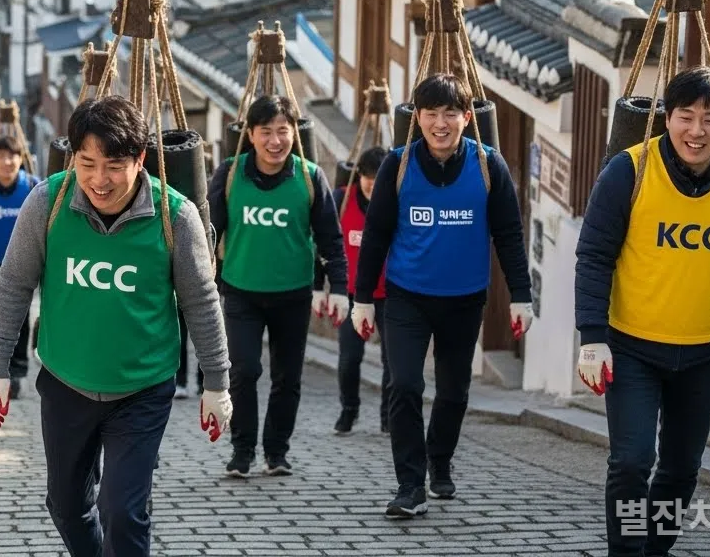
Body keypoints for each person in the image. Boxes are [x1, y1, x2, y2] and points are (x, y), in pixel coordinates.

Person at [0, 95, 231, 557]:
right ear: (73, 157)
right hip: (65, 382)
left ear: (140, 159)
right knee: (67, 505)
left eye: (114, 165)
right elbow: (13, 286)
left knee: (123, 508)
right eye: (87, 163)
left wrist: (217, 383)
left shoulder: (176, 216)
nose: (99, 179)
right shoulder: (47, 202)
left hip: (142, 390)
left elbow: (201, 300)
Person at [574, 67, 710, 557]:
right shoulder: (628, 170)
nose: (696, 130)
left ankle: (655, 550)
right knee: (631, 461)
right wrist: (592, 336)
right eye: (685, 116)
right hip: (631, 348)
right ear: (666, 118)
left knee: (681, 469)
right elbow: (595, 255)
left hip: (705, 351)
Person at [351, 73, 532, 518]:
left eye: (450, 113)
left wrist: (521, 295)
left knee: (453, 392)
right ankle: (409, 485)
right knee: (405, 385)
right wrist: (361, 299)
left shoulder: (490, 166)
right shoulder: (399, 165)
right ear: (417, 118)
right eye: (430, 113)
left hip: (465, 299)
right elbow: (375, 236)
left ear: (467, 118)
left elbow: (509, 234)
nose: (440, 123)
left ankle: (440, 459)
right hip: (406, 297)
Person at [209, 93, 348, 479]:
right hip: (240, 292)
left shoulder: (309, 176)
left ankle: (277, 451)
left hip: (293, 294)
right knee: (245, 370)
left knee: (288, 377)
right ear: (250, 134)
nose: (275, 141)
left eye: (282, 131)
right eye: (266, 131)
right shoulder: (230, 174)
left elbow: (330, 239)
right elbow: (208, 232)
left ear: (294, 133)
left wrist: (339, 287)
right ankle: (242, 450)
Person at [319, 145, 392, 435]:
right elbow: (323, 242)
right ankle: (349, 410)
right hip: (351, 294)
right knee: (349, 358)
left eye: (380, 180)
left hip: (389, 294)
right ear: (359, 176)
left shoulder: (395, 201)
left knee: (393, 361)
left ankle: (388, 416)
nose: (373, 187)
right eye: (368, 180)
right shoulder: (342, 198)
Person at [0, 135, 40, 402]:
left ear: (21, 159)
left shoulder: (33, 187)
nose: (7, 161)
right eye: (1, 155)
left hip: (23, 265)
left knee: (20, 320)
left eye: (12, 155)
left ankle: (17, 371)